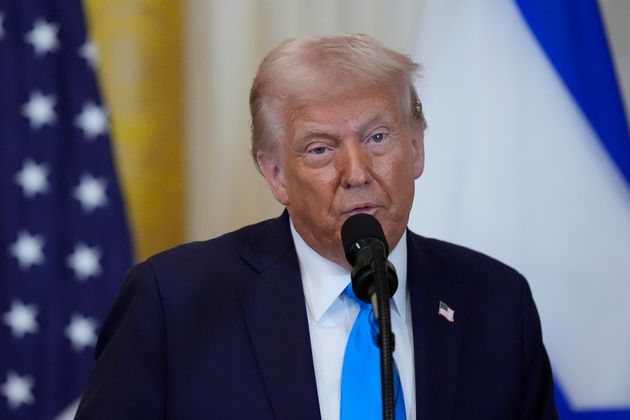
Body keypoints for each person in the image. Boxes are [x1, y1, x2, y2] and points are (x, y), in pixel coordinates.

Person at [75, 34, 557, 419]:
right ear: (275, 174)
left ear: (418, 148)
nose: (357, 172)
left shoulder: (497, 302)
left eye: (378, 137)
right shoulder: (175, 301)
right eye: (321, 149)